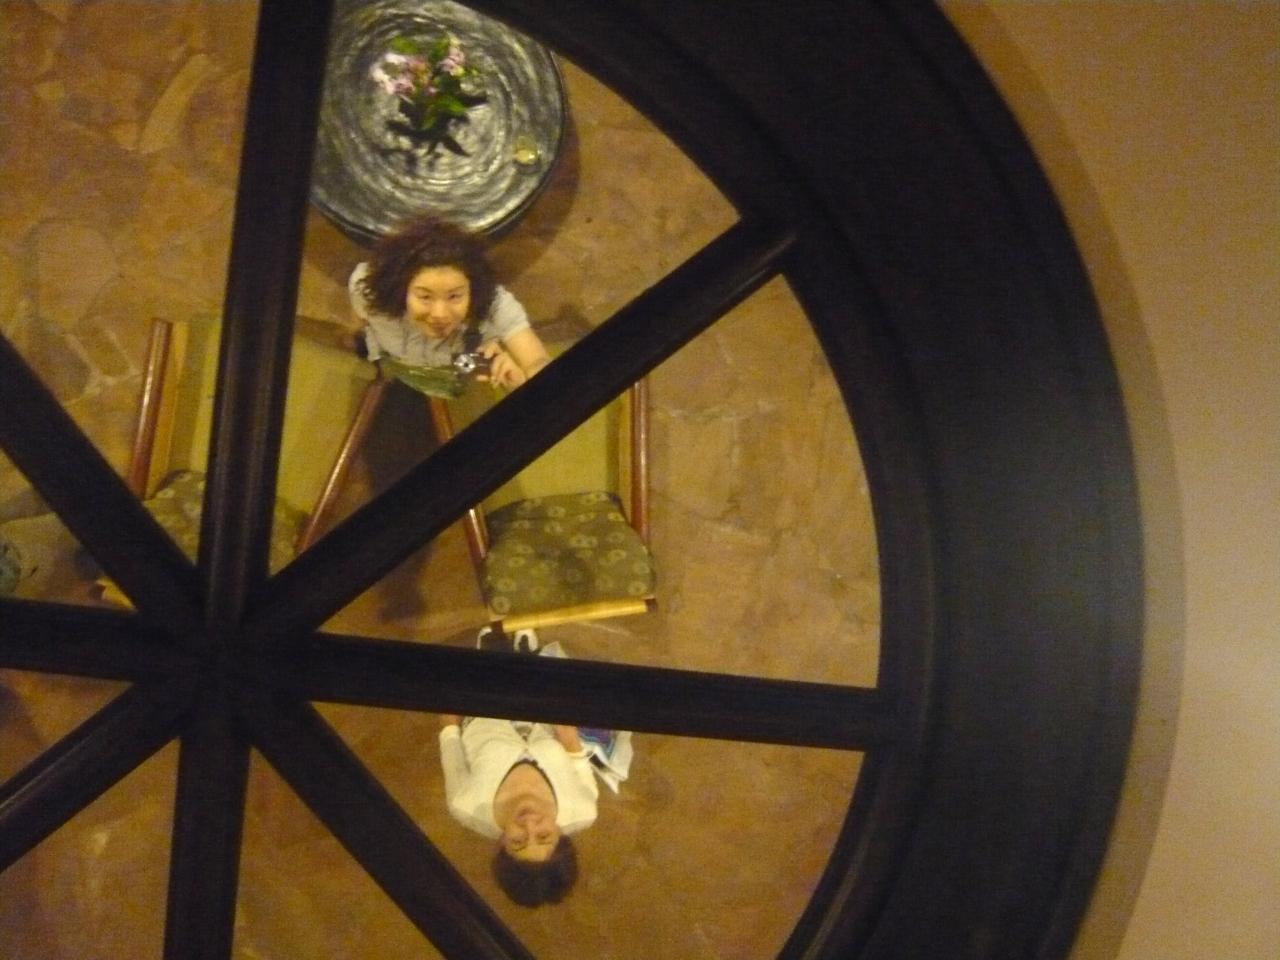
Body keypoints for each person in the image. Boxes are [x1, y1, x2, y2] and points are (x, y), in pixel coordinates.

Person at [348, 216, 550, 390]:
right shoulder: (368, 289)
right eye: (425, 297)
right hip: (392, 366)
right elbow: (360, 320)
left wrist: (521, 382)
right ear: (401, 288)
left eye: (454, 296)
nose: (440, 314)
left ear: (473, 290)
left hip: (456, 376)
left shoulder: (494, 302)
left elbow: (537, 361)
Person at [438, 712, 596, 906]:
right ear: (560, 834)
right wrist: (568, 734)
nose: (529, 824)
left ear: (502, 844)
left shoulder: (465, 805)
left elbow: (449, 733)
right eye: (543, 836)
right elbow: (578, 759)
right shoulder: (584, 810)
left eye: (518, 841)